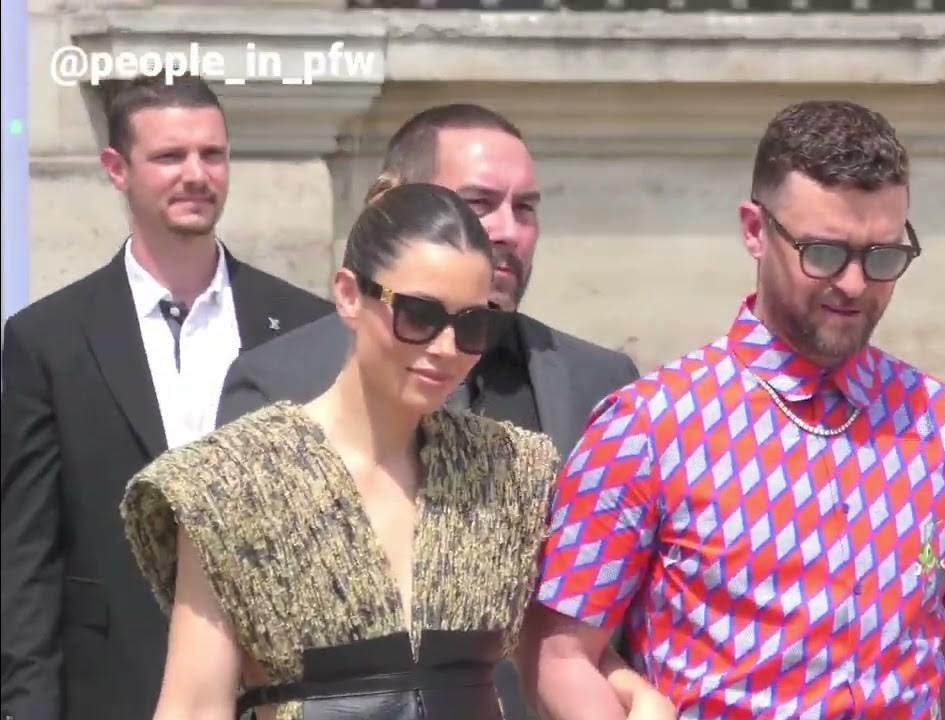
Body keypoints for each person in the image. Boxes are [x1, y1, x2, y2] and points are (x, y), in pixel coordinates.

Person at [526, 100, 945, 719]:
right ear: (755, 231)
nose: (853, 284)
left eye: (883, 257)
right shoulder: (651, 426)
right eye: (823, 253)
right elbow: (561, 653)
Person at [117, 182, 673, 720]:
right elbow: (194, 705)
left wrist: (629, 690)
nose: (446, 348)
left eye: (475, 324)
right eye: (419, 315)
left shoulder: (511, 471)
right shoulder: (231, 481)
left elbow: (549, 649)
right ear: (347, 295)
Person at [0, 75, 332, 720]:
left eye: (212, 154)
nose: (196, 175)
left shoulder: (302, 325)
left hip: (274, 692)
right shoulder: (49, 338)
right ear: (116, 169)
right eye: (170, 157)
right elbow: (26, 556)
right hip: (115, 687)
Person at [216, 104, 639, 462]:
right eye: (479, 203)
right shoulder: (276, 383)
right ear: (394, 202)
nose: (509, 230)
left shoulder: (598, 383)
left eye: (525, 208)